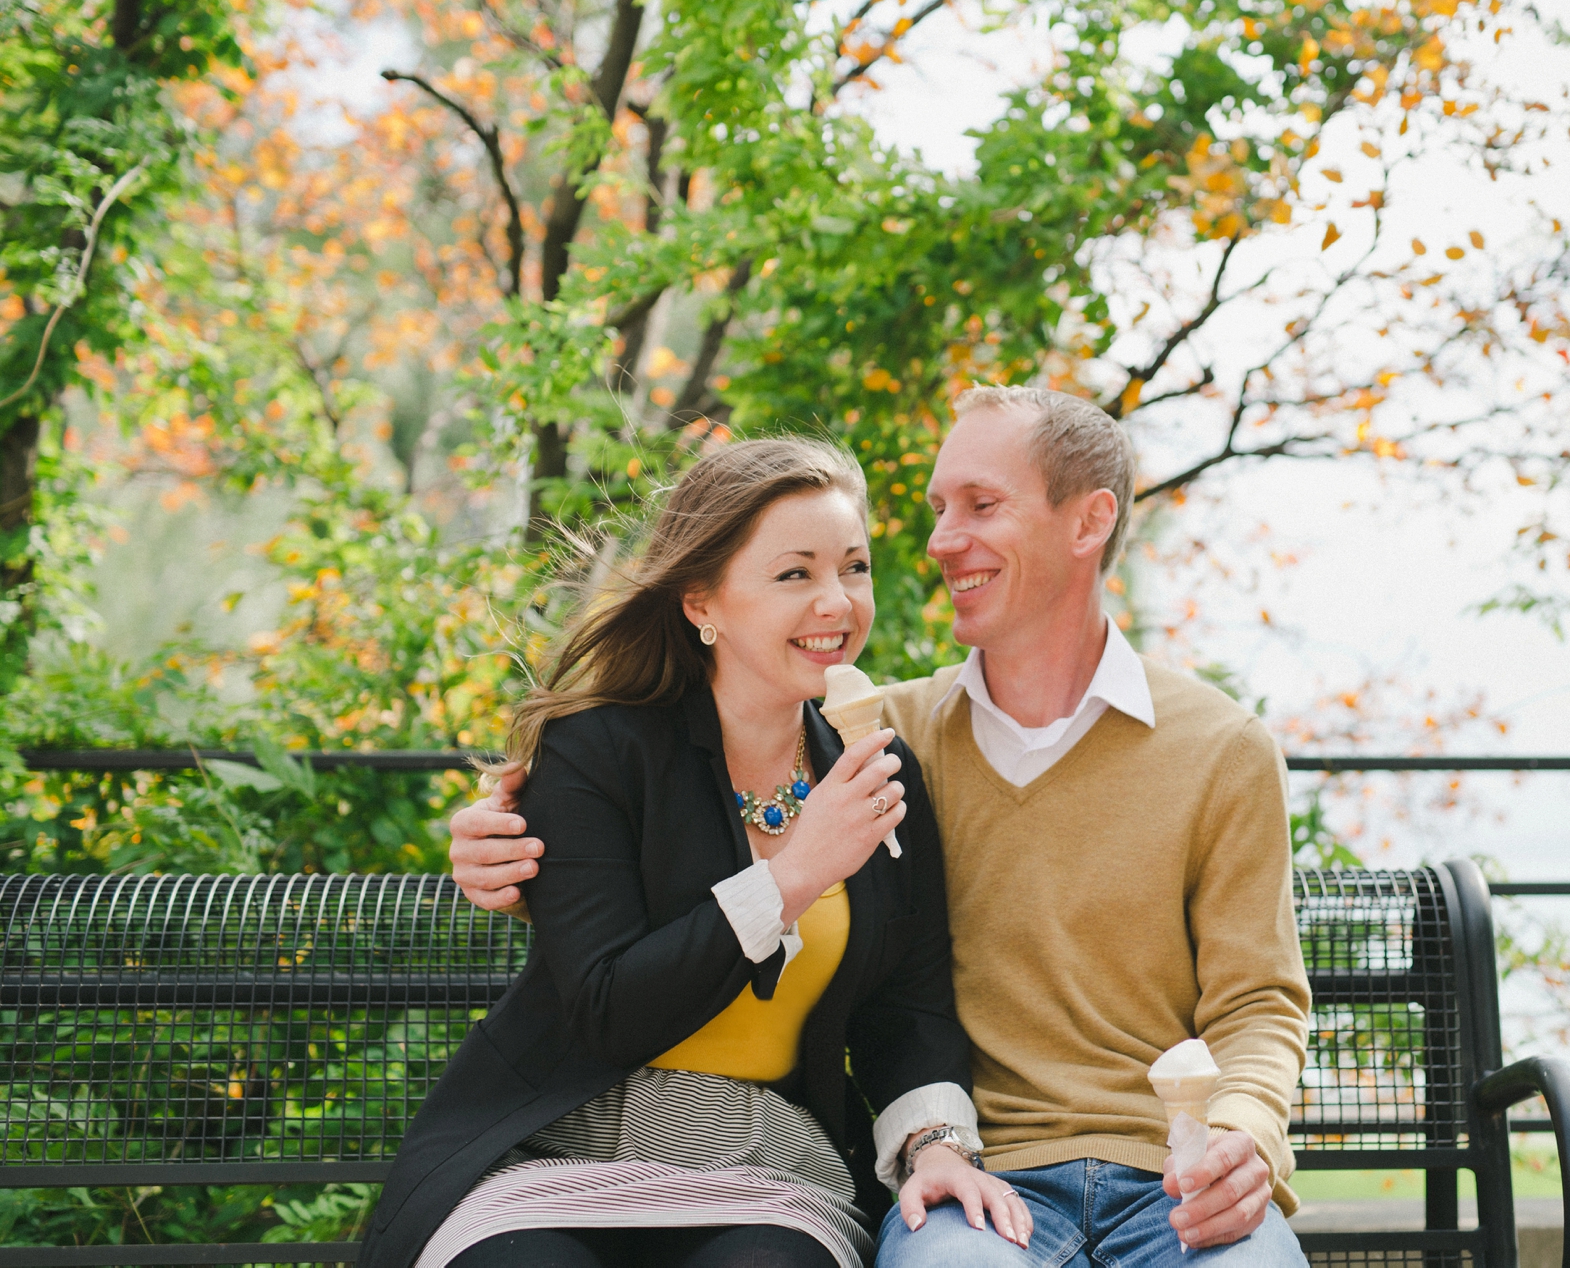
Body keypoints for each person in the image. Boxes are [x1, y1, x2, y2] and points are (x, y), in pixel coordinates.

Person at [450, 388, 1313, 1267]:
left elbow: (1254, 1003)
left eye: (980, 506)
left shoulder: (1206, 747)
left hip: (1150, 1175)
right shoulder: (890, 738)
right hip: (944, 1181)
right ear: (701, 600)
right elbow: (636, 879)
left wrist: (1244, 1135)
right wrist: (512, 849)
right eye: (940, 510)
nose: (939, 542)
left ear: (1090, 521)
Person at [358, 437, 1024, 1268]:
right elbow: (607, 1006)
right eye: (795, 574)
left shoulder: (878, 775)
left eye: (854, 568)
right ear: (701, 600)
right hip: (559, 1150)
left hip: (765, 1163)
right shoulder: (596, 750)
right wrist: (792, 876)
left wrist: (934, 1145)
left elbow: (907, 1008)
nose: (838, 601)